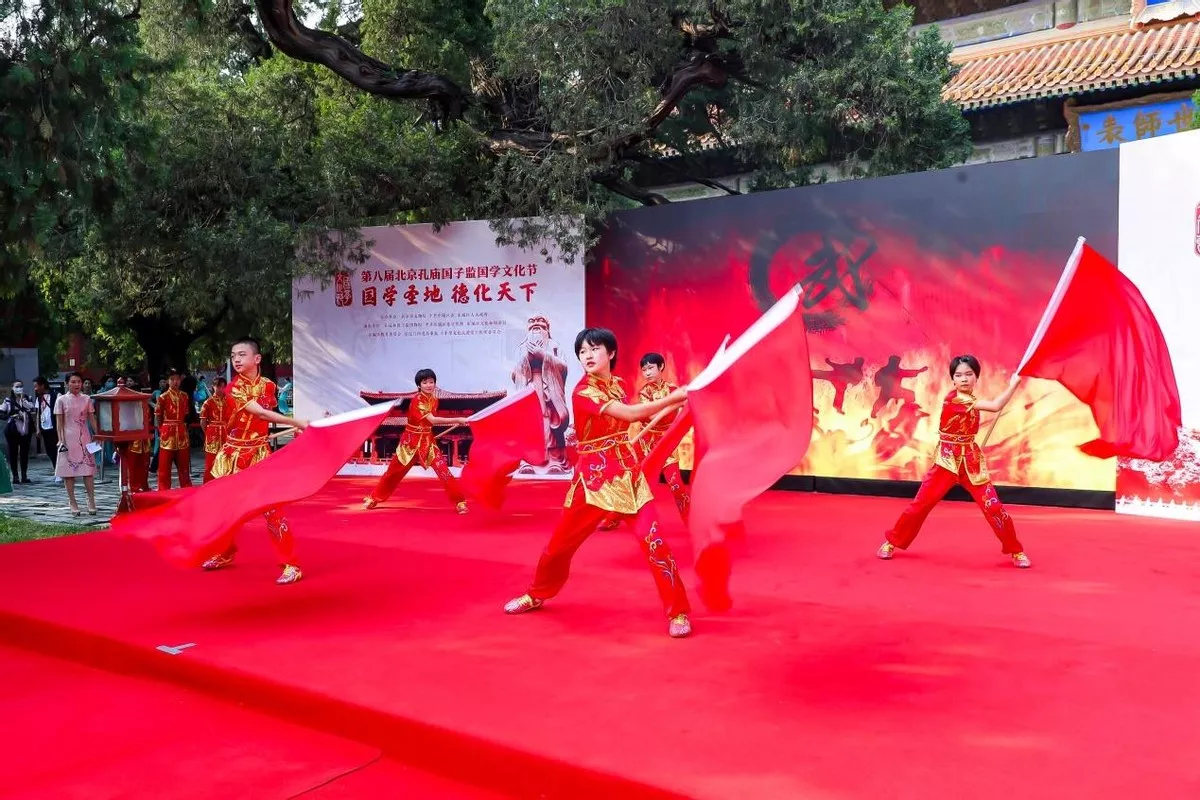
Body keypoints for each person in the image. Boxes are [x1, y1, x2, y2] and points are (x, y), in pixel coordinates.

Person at [504, 328, 694, 638]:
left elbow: (636, 418)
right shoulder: (583, 392)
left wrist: (679, 402)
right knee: (558, 547)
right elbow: (630, 415)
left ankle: (678, 610)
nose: (588, 356)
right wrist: (675, 397)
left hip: (628, 475)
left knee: (654, 541)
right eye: (582, 351)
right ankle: (536, 593)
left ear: (611, 353)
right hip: (593, 481)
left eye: (594, 349)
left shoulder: (618, 385)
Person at [876, 354, 1031, 568]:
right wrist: (1014, 384)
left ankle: (1016, 550)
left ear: (976, 377)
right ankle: (892, 542)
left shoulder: (971, 400)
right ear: (953, 379)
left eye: (969, 374)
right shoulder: (955, 399)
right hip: (946, 462)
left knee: (994, 507)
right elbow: (996, 406)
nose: (964, 379)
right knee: (920, 506)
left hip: (971, 462)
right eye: (958, 375)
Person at [200, 338, 308, 584]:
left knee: (272, 510)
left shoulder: (269, 386)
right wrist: (297, 422)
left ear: (257, 359)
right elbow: (259, 412)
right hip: (232, 456)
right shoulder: (234, 387)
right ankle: (225, 551)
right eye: (233, 356)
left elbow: (265, 417)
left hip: (258, 454)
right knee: (223, 508)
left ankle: (291, 564)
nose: (236, 360)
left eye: (241, 354)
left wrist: (289, 428)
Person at [363, 369, 468, 513]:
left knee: (444, 471)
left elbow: (428, 423)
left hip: (428, 443)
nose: (429, 385)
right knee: (393, 473)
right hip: (409, 443)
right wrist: (458, 419)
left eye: (431, 382)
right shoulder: (417, 400)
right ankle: (374, 498)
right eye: (425, 382)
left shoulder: (434, 400)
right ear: (419, 385)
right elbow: (432, 420)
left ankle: (460, 502)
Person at [54, 373, 98, 515]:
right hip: (68, 438)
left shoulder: (87, 399)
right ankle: (72, 501)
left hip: (84, 437)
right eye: (73, 382)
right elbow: (59, 423)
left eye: (79, 381)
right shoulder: (61, 400)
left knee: (88, 471)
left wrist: (98, 434)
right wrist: (61, 440)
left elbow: (92, 419)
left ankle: (91, 500)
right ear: (67, 383)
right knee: (68, 473)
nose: (77, 384)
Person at [155, 369, 192, 490]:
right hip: (168, 432)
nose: (175, 382)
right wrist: (162, 430)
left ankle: (186, 490)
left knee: (184, 466)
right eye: (172, 379)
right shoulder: (163, 397)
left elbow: (186, 415)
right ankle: (163, 491)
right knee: (165, 466)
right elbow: (158, 416)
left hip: (181, 431)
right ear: (168, 381)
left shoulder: (184, 396)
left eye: (177, 379)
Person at [1, 381, 37, 484]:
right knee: (13, 452)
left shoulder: (28, 398)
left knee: (24, 452)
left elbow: (32, 409)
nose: (19, 388)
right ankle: (15, 476)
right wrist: (11, 416)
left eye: (21, 386)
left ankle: (24, 476)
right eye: (17, 386)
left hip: (26, 429)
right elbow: (2, 413)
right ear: (12, 388)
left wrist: (24, 401)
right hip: (13, 430)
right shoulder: (8, 400)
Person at [199, 376, 229, 482]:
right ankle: (208, 485)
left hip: (226, 434)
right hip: (212, 435)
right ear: (213, 387)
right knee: (210, 462)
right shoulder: (208, 402)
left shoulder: (229, 401)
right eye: (218, 386)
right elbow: (202, 422)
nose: (221, 389)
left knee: (226, 461)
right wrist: (208, 432)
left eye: (223, 387)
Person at [33, 377, 59, 474]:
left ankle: (59, 471)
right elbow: (38, 414)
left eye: (36, 386)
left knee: (56, 450)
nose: (35, 389)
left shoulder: (55, 395)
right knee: (49, 451)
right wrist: (38, 428)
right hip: (44, 427)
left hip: (55, 427)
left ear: (42, 385)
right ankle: (56, 469)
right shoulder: (39, 398)